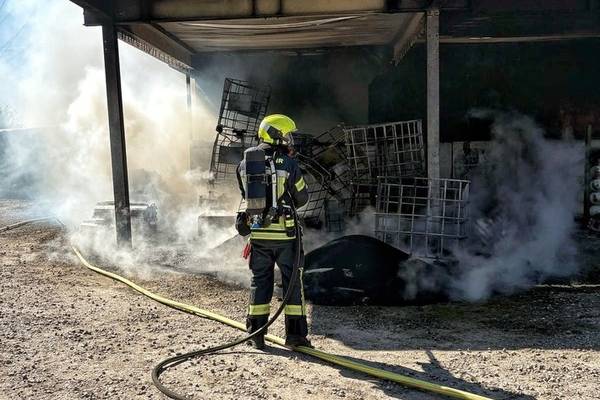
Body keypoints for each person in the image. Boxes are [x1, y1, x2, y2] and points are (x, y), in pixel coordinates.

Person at [235, 114, 312, 349]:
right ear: (276, 135)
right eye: (287, 135)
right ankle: (295, 337)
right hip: (286, 237)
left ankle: (256, 335)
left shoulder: (245, 163)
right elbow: (302, 197)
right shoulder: (288, 163)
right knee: (292, 283)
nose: (289, 139)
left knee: (260, 281)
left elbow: (246, 195)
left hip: (259, 235)